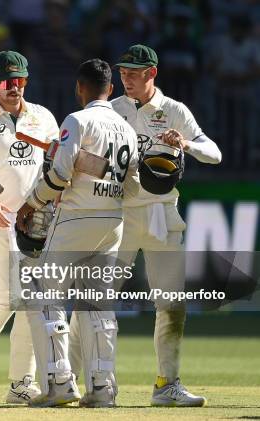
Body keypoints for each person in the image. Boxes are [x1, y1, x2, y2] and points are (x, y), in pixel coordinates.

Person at [17, 58, 138, 408]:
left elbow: (58, 176)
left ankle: (59, 384)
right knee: (96, 304)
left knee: (44, 292)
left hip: (76, 218)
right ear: (111, 89)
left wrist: (30, 204)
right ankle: (102, 389)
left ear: (79, 88)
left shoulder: (77, 120)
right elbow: (131, 187)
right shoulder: (126, 128)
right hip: (113, 220)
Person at [112, 44, 221, 407]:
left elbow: (215, 153)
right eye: (122, 71)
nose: (125, 77)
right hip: (122, 214)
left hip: (162, 214)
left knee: (172, 304)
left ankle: (166, 385)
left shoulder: (174, 110)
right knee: (96, 300)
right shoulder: (112, 110)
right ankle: (94, 383)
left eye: (133, 72)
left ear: (151, 73)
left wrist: (186, 144)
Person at [0, 50, 58, 404]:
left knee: (31, 301)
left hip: (35, 224)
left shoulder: (42, 117)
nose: (15, 88)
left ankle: (21, 384)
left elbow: (56, 162)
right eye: (8, 82)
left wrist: (51, 203)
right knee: (4, 299)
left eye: (21, 81)